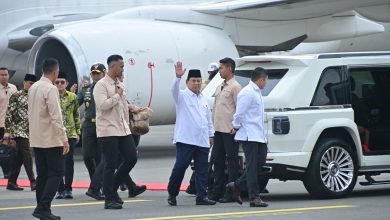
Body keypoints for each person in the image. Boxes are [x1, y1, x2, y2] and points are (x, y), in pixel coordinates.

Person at [167, 62, 216, 206]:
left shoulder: (203, 99)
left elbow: (208, 120)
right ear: (187, 82)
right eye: (193, 81)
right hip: (186, 139)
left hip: (202, 140)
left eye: (198, 81)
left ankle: (202, 196)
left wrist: (211, 135)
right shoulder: (181, 96)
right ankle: (172, 193)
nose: (196, 83)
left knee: (202, 170)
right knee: (180, 167)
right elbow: (173, 89)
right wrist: (177, 77)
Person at [93, 54, 138, 209]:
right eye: (121, 66)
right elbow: (102, 106)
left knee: (131, 158)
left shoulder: (120, 83)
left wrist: (130, 114)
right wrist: (117, 95)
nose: (123, 68)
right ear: (112, 67)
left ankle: (112, 189)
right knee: (110, 164)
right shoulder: (101, 85)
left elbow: (123, 106)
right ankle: (109, 199)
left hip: (122, 129)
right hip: (108, 130)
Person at [28, 58, 69, 220]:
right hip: (51, 139)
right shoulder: (50, 89)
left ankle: (42, 208)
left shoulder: (34, 87)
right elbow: (56, 116)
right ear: (55, 72)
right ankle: (43, 207)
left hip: (37, 138)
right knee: (57, 173)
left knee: (43, 174)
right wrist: (64, 138)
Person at [226, 67, 269, 208]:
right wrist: (236, 127)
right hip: (249, 135)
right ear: (261, 79)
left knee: (260, 162)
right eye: (266, 80)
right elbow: (239, 114)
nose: (266, 83)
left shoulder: (257, 92)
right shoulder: (247, 93)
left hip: (259, 135)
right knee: (251, 167)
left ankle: (236, 185)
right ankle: (254, 197)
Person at [209, 57, 242, 203]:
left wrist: (236, 127)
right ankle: (217, 191)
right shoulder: (220, 86)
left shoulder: (235, 87)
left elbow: (239, 109)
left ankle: (231, 192)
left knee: (232, 161)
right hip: (218, 130)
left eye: (221, 68)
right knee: (217, 160)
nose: (220, 71)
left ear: (229, 68)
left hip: (229, 130)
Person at [4, 73, 37, 191]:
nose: (32, 86)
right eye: (30, 83)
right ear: (24, 82)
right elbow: (9, 114)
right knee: (27, 154)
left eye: (34, 84)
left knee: (20, 156)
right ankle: (33, 181)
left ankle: (11, 182)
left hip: (31, 130)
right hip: (19, 130)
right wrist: (7, 131)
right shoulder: (16, 95)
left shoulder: (36, 96)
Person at [54, 72, 81, 200]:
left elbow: (76, 115)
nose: (60, 85)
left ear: (67, 84)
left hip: (70, 133)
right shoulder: (51, 96)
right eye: (57, 82)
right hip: (56, 134)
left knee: (69, 162)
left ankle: (68, 188)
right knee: (58, 162)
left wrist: (78, 132)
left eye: (62, 82)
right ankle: (60, 189)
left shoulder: (72, 97)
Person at [78, 63, 105, 181]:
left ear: (103, 74)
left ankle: (99, 185)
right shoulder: (86, 89)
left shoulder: (108, 88)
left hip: (102, 124)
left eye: (98, 74)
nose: (96, 76)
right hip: (89, 124)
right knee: (87, 155)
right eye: (93, 74)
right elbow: (75, 103)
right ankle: (94, 180)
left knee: (100, 156)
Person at [0, 67, 18, 178]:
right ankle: (6, 170)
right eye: (1, 75)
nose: (4, 77)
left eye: (5, 74)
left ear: (8, 75)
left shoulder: (14, 88)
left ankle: (9, 171)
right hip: (0, 123)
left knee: (12, 149)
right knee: (2, 149)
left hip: (12, 124)